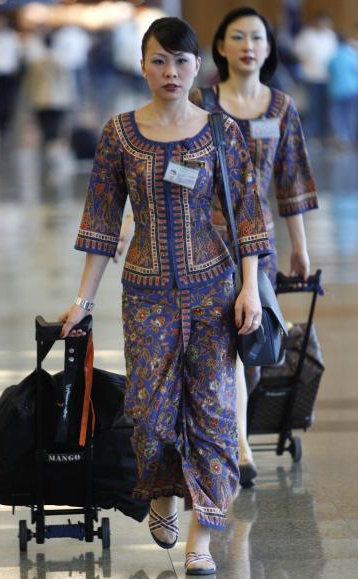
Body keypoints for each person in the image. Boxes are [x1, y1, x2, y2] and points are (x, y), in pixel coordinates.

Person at [59, 16, 271, 576]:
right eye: (159, 60)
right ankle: (161, 493)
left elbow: (249, 217)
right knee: (150, 414)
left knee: (214, 416)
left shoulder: (221, 132)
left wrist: (249, 286)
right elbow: (101, 221)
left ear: (198, 66)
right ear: (143, 65)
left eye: (181, 62)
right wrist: (81, 302)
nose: (170, 72)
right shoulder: (119, 133)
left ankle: (200, 540)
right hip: (146, 295)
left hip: (213, 293)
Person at [190, 6, 318, 487]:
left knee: (251, 345)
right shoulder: (201, 102)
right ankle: (237, 447)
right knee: (214, 349)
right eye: (237, 37)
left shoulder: (281, 108)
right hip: (201, 244)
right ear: (220, 47)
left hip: (256, 246)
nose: (248, 45)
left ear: (269, 49)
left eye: (257, 38)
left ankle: (235, 436)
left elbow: (292, 182)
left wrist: (299, 248)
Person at [293, 11, 337, 142]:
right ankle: (312, 133)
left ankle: (323, 132)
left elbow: (333, 54)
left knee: (325, 106)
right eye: (322, 22)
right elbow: (297, 52)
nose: (324, 25)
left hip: (328, 77)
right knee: (313, 105)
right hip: (311, 76)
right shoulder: (307, 35)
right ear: (317, 22)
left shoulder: (331, 35)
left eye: (327, 23)